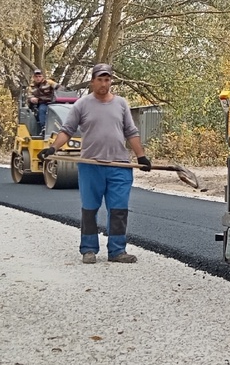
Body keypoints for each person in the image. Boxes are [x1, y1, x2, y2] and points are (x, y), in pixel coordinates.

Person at [39, 63, 151, 264]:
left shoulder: (121, 104)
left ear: (111, 81)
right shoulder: (82, 105)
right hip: (91, 165)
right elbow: (67, 130)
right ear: (92, 81)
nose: (103, 83)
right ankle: (88, 249)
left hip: (119, 165)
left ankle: (117, 251)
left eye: (107, 79)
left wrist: (141, 156)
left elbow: (131, 132)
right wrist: (53, 149)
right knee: (90, 208)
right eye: (100, 79)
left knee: (119, 209)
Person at [27, 69, 56, 134]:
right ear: (34, 77)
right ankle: (44, 128)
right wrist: (32, 99)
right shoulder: (31, 86)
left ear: (42, 76)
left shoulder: (49, 82)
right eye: (36, 77)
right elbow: (29, 96)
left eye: (39, 76)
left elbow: (59, 88)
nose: (38, 78)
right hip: (40, 104)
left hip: (52, 103)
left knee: (44, 110)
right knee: (41, 110)